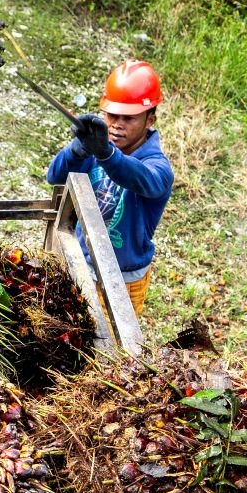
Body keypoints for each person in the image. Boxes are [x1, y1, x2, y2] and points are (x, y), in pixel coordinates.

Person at [46, 59, 173, 316]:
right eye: (112, 115)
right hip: (81, 264)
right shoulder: (95, 149)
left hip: (123, 279)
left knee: (112, 350)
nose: (117, 124)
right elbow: (54, 176)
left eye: (129, 118)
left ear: (150, 119)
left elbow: (139, 177)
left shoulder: (157, 167)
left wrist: (106, 153)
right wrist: (76, 151)